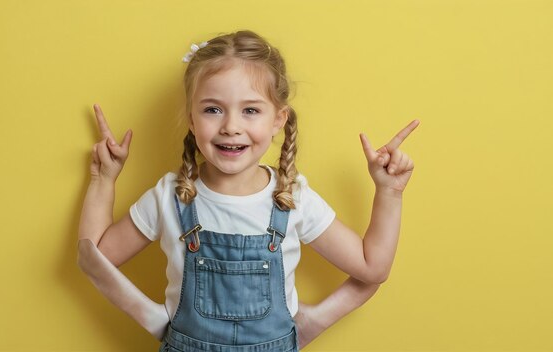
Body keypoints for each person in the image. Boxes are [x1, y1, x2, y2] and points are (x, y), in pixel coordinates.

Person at [77, 30, 419, 351]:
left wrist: (389, 193)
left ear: (277, 120)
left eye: (251, 110)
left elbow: (373, 269)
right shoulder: (170, 197)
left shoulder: (293, 198)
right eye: (213, 109)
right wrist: (103, 179)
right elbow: (93, 257)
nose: (231, 127)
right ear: (192, 120)